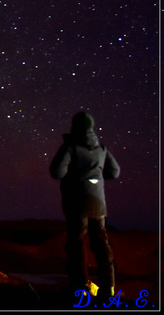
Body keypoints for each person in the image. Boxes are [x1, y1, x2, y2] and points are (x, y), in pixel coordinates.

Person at [49, 111, 121, 299]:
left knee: (77, 243)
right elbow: (114, 172)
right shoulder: (101, 149)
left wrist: (77, 177)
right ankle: (109, 288)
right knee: (101, 243)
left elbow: (57, 172)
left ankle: (80, 288)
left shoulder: (71, 147)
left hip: (76, 201)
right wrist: (95, 179)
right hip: (98, 203)